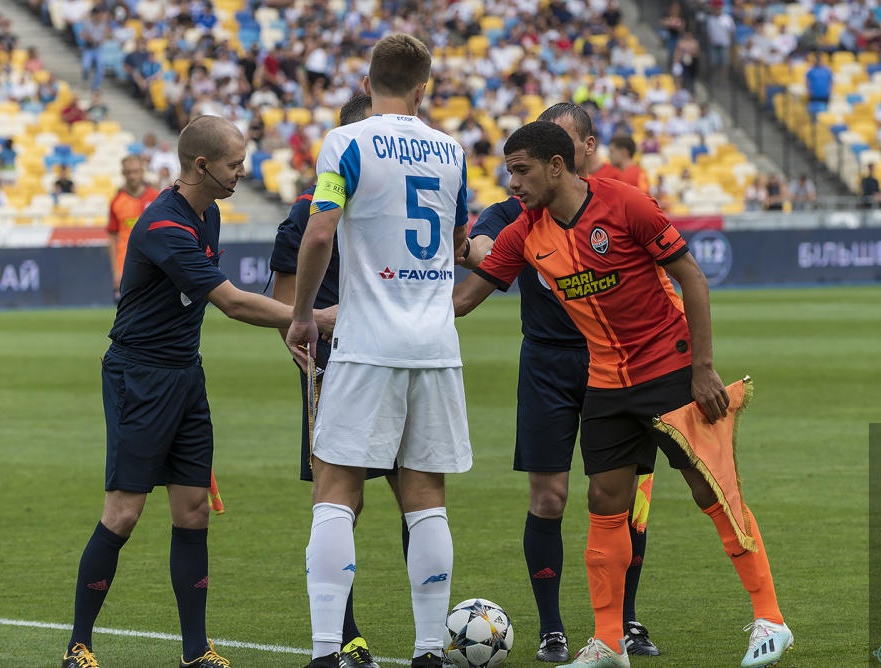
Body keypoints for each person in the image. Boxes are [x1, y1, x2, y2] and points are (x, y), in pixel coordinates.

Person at [453, 121, 793, 668]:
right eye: (509, 171)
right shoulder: (523, 233)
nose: (512, 183)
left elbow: (693, 278)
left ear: (556, 166)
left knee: (712, 491)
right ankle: (609, 642)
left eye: (521, 170)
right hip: (606, 382)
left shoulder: (626, 204)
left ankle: (770, 618)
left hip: (670, 370)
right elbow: (462, 302)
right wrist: (369, 316)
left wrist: (702, 368)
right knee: (605, 503)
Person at [61, 115, 336, 668]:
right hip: (140, 377)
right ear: (202, 165)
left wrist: (297, 322)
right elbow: (232, 302)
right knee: (124, 513)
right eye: (235, 164)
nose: (243, 172)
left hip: (186, 374)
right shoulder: (164, 225)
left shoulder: (208, 214)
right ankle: (78, 646)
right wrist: (313, 317)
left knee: (193, 512)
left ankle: (195, 653)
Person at [285, 34, 471, 668]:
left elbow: (319, 234)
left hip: (367, 341)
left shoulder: (346, 142)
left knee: (336, 491)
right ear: (424, 88)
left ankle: (325, 650)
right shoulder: (451, 151)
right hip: (436, 345)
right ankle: (429, 650)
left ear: (367, 84)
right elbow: (459, 240)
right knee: (426, 499)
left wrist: (303, 315)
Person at [460, 103, 659, 662]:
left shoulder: (619, 203)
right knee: (549, 496)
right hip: (546, 364)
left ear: (583, 150)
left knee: (624, 499)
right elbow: (483, 248)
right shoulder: (515, 209)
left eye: (566, 144)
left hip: (614, 363)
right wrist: (483, 250)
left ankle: (624, 621)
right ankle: (552, 628)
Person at [270, 94, 403, 668]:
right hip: (334, 370)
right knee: (344, 502)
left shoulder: (394, 201)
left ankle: (426, 638)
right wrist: (311, 333)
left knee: (414, 493)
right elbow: (284, 307)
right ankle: (345, 636)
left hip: (398, 360)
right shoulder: (307, 211)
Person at [107, 155, 159, 302]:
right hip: (125, 264)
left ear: (142, 172)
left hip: (154, 263)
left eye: (135, 171)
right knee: (127, 308)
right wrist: (115, 271)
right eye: (128, 172)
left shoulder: (156, 198)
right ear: (123, 173)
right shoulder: (116, 202)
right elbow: (112, 237)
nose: (132, 176)